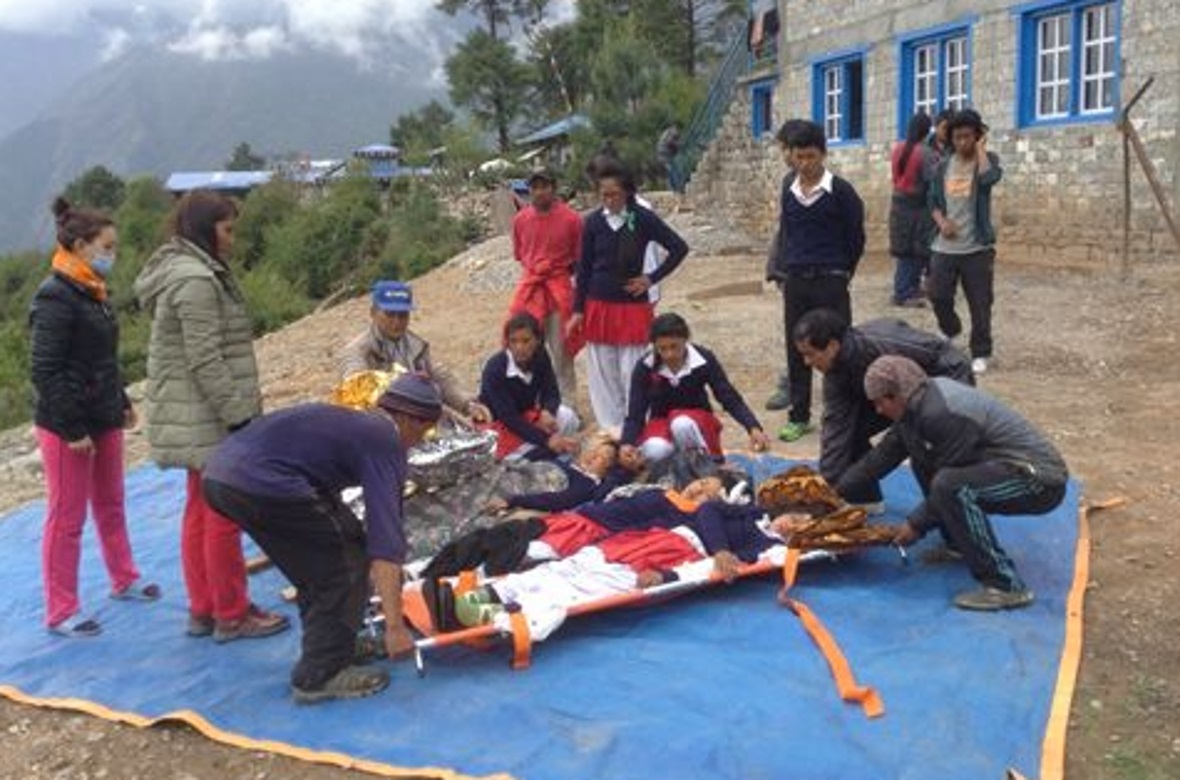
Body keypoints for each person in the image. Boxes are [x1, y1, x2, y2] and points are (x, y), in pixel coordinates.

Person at [202, 374, 443, 703]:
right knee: (342, 565)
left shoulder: (361, 424)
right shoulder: (385, 440)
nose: (421, 439)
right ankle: (319, 674)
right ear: (406, 418)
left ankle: (336, 643)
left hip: (222, 473)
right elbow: (386, 543)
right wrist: (395, 628)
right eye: (424, 428)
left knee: (324, 559)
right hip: (262, 482)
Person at [135, 189, 288, 642]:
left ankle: (204, 608)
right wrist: (239, 416)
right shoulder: (197, 281)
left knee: (199, 509)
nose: (232, 239)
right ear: (206, 230)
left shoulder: (181, 272)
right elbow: (205, 358)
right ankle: (232, 612)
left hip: (194, 414)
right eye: (227, 229)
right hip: (209, 417)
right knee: (223, 512)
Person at [837, 356, 1068, 611]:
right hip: (1001, 468)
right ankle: (957, 544)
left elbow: (950, 479)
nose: (878, 411)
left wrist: (915, 525)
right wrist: (833, 493)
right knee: (924, 462)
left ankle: (1005, 585)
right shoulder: (916, 406)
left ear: (895, 396)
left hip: (1039, 481)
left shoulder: (941, 413)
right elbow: (880, 458)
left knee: (951, 486)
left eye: (879, 403)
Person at [29, 198, 159, 637]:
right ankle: (61, 609)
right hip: (68, 425)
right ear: (80, 245)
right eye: (106, 246)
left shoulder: (93, 292)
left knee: (112, 502)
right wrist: (71, 428)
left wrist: (120, 399)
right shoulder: (55, 296)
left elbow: (100, 357)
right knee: (67, 516)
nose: (112, 255)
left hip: (102, 414)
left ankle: (124, 577)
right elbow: (45, 369)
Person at [792, 308, 973, 509]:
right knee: (851, 432)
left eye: (810, 354)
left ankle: (949, 518)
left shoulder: (885, 342)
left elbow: (948, 357)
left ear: (832, 346)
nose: (806, 362)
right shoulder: (835, 375)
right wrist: (826, 488)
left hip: (940, 386)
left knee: (922, 453)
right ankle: (865, 499)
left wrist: (947, 404)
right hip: (893, 398)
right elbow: (835, 432)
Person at [569, 158, 689, 433]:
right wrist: (578, 311)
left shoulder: (643, 219)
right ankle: (610, 429)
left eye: (614, 194)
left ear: (627, 193)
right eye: (603, 195)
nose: (608, 200)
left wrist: (651, 278)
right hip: (598, 306)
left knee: (633, 371)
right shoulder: (592, 223)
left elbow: (679, 248)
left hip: (631, 307)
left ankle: (635, 426)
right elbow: (584, 268)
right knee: (602, 373)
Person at [766, 120, 866, 442]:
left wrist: (842, 271)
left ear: (823, 154)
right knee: (798, 349)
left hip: (831, 280)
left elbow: (856, 238)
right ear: (792, 157)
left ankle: (842, 412)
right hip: (796, 281)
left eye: (811, 157)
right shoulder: (788, 189)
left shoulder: (841, 191)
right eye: (799, 157)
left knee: (838, 347)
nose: (805, 164)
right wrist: (786, 269)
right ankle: (799, 415)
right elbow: (788, 234)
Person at [621, 312, 770, 465]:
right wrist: (627, 443)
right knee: (654, 450)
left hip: (697, 422)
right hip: (661, 422)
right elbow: (635, 411)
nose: (669, 354)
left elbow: (728, 396)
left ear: (685, 339)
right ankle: (675, 468)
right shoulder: (645, 366)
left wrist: (752, 426)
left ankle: (703, 466)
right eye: (662, 349)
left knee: (681, 425)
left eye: (674, 347)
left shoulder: (704, 359)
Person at [339, 280, 490, 423]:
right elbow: (357, 385)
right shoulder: (357, 351)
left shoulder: (416, 345)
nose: (397, 322)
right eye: (390, 314)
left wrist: (467, 404)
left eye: (403, 315)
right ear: (373, 313)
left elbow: (437, 376)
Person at [927, 108, 1003, 376]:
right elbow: (932, 202)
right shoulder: (942, 167)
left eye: (968, 137)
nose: (962, 143)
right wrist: (941, 222)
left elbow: (989, 178)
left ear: (977, 136)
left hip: (977, 248)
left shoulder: (987, 160)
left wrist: (982, 149)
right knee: (937, 294)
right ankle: (950, 328)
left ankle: (981, 351)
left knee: (980, 303)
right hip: (944, 247)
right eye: (957, 137)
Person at [507, 169, 583, 403]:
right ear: (529, 191)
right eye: (534, 187)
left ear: (554, 187)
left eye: (544, 186)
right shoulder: (520, 220)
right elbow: (520, 255)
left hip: (559, 289)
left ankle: (569, 405)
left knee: (562, 351)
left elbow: (579, 259)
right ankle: (532, 402)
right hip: (531, 290)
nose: (539, 192)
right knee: (525, 346)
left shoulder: (572, 219)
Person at [480, 312, 580, 460]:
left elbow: (551, 391)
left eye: (526, 341)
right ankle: (550, 453)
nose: (519, 347)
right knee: (510, 458)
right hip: (501, 426)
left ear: (538, 340)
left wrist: (548, 411)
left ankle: (547, 453)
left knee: (569, 417)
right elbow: (509, 417)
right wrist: (547, 440)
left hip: (528, 417)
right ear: (507, 342)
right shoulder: (495, 369)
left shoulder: (540, 356)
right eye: (514, 341)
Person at [764, 118, 810, 413]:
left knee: (828, 329)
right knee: (796, 329)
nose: (784, 155)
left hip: (821, 270)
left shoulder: (830, 185)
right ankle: (792, 384)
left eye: (785, 148)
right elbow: (787, 229)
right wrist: (778, 266)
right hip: (792, 269)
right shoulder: (787, 182)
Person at [889, 112, 934, 308]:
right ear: (926, 131)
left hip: (898, 203)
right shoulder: (925, 153)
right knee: (915, 249)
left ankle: (908, 287)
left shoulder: (898, 148)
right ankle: (903, 292)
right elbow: (932, 181)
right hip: (917, 206)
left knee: (904, 249)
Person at [657, 124, 681, 192]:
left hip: (661, 154)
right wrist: (677, 145)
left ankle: (673, 188)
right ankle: (677, 188)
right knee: (673, 171)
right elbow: (670, 142)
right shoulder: (672, 132)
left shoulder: (666, 132)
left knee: (670, 171)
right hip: (666, 155)